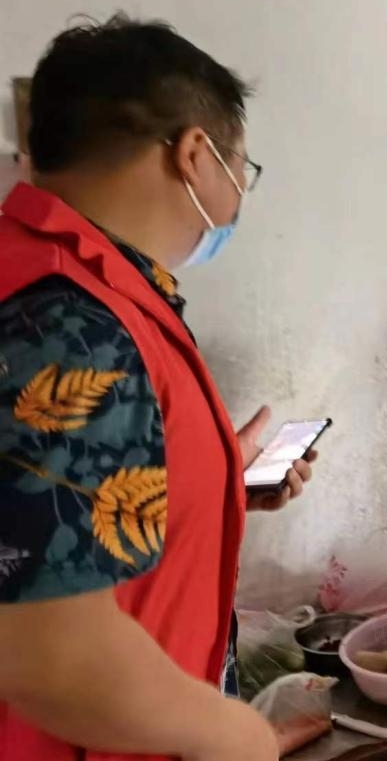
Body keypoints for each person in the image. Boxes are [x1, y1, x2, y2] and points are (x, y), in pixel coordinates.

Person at [0, 16, 315, 761]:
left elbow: (50, 510)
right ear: (195, 154)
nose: (239, 193)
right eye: (241, 168)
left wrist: (213, 480)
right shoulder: (69, 323)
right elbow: (52, 655)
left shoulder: (70, 284)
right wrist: (239, 734)